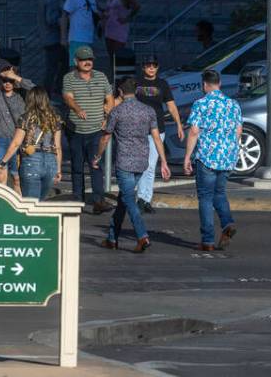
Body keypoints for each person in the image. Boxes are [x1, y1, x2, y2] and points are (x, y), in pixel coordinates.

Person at [94, 78, 171, 252]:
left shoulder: (117, 112)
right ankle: (112, 238)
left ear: (120, 92)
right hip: (141, 161)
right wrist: (163, 161)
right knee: (123, 200)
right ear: (135, 92)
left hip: (124, 163)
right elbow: (157, 137)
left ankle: (142, 235)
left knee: (129, 200)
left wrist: (97, 156)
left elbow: (106, 136)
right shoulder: (148, 111)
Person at [183, 69, 241, 252]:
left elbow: (193, 131)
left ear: (204, 85)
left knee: (206, 198)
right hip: (227, 157)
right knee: (220, 193)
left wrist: (187, 157)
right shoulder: (233, 104)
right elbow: (238, 131)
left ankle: (207, 239)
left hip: (207, 157)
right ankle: (227, 223)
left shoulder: (201, 104)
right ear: (220, 83)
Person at [62, 45, 115, 214]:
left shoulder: (101, 77)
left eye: (90, 59)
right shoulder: (69, 78)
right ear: (76, 61)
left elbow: (110, 98)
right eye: (84, 60)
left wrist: (107, 117)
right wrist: (77, 109)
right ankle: (78, 199)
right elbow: (67, 97)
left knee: (96, 165)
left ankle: (98, 200)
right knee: (77, 166)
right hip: (76, 130)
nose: (87, 62)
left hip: (95, 131)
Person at [134, 54, 183, 213]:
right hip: (138, 129)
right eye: (148, 65)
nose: (151, 68)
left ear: (157, 67)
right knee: (141, 164)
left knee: (150, 166)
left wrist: (179, 125)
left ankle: (145, 199)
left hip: (157, 130)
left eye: (154, 65)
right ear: (143, 67)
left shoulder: (162, 84)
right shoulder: (136, 83)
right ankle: (141, 198)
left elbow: (171, 106)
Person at [0, 86, 63, 199]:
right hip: (51, 162)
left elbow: (16, 143)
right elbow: (58, 147)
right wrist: (58, 169)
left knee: (30, 204)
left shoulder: (26, 118)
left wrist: (3, 162)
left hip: (31, 160)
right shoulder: (55, 118)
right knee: (40, 203)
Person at [0, 66, 27, 192]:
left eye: (11, 81)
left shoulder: (22, 95)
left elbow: (36, 89)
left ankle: (19, 206)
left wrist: (16, 77)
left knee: (16, 177)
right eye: (5, 80)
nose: (8, 83)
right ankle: (1, 202)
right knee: (0, 173)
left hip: (18, 141)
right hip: (0, 140)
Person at [102, 0, 141, 67]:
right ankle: (114, 79)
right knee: (111, 56)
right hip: (109, 27)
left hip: (119, 27)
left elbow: (137, 6)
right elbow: (108, 9)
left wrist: (127, 18)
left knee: (118, 55)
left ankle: (120, 79)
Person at [62, 0, 100, 64]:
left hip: (88, 37)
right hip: (77, 37)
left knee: (86, 66)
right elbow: (64, 15)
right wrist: (63, 37)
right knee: (75, 65)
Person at [39, 0, 66, 96]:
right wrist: (64, 20)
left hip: (49, 38)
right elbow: (51, 20)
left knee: (60, 64)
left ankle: (54, 90)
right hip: (53, 38)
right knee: (53, 67)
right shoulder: (51, 0)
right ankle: (49, 93)